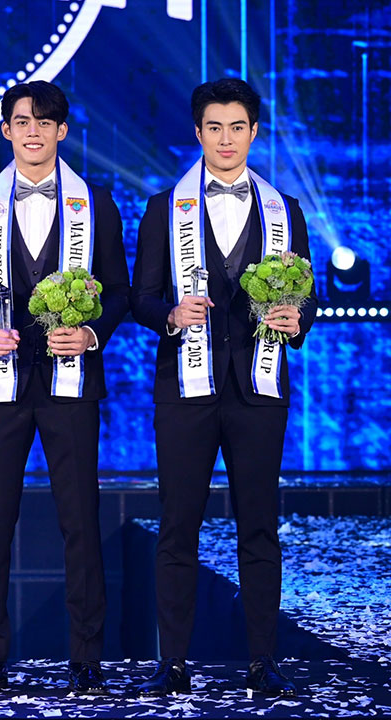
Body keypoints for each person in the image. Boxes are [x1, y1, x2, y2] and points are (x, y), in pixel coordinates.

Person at [131, 77, 317, 698]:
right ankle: (173, 663)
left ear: (254, 132)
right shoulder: (164, 208)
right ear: (198, 133)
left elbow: (308, 298)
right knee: (178, 525)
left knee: (258, 525)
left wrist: (297, 319)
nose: (226, 139)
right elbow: (140, 296)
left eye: (238, 127)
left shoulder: (286, 210)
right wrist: (169, 314)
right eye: (215, 127)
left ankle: (263, 661)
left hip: (258, 388)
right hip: (185, 389)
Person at [0, 81, 130, 695]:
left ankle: (87, 658)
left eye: (44, 121)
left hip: (71, 385)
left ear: (62, 131)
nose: (33, 131)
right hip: (2, 384)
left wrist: (92, 333)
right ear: (6, 130)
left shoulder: (96, 204)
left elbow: (120, 291)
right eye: (22, 121)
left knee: (80, 521)